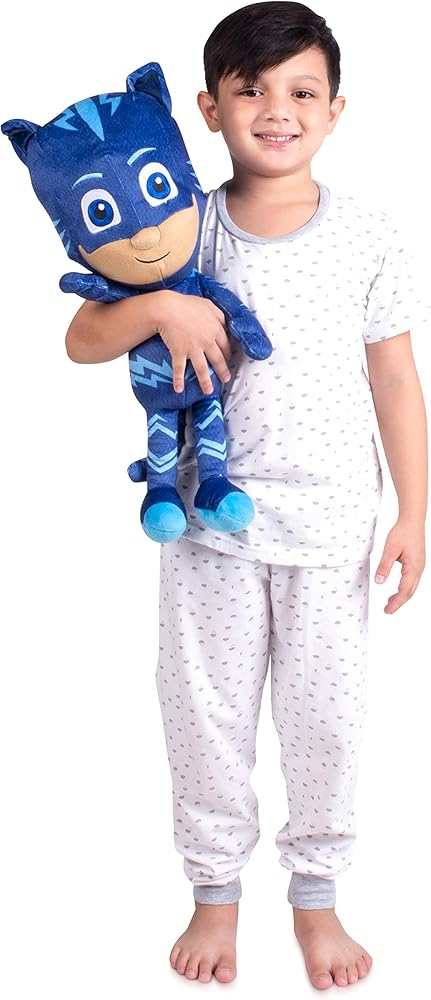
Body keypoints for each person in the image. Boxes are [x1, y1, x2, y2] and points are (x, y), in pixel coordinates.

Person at [65, 1, 428, 990]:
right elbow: (83, 338)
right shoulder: (182, 233)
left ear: (335, 110)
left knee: (325, 722)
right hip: (207, 527)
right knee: (203, 714)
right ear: (208, 108)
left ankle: (316, 896)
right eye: (250, 90)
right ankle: (213, 892)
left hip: (330, 525)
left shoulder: (368, 234)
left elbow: (395, 378)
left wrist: (413, 511)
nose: (277, 110)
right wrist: (157, 303)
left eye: (301, 92)